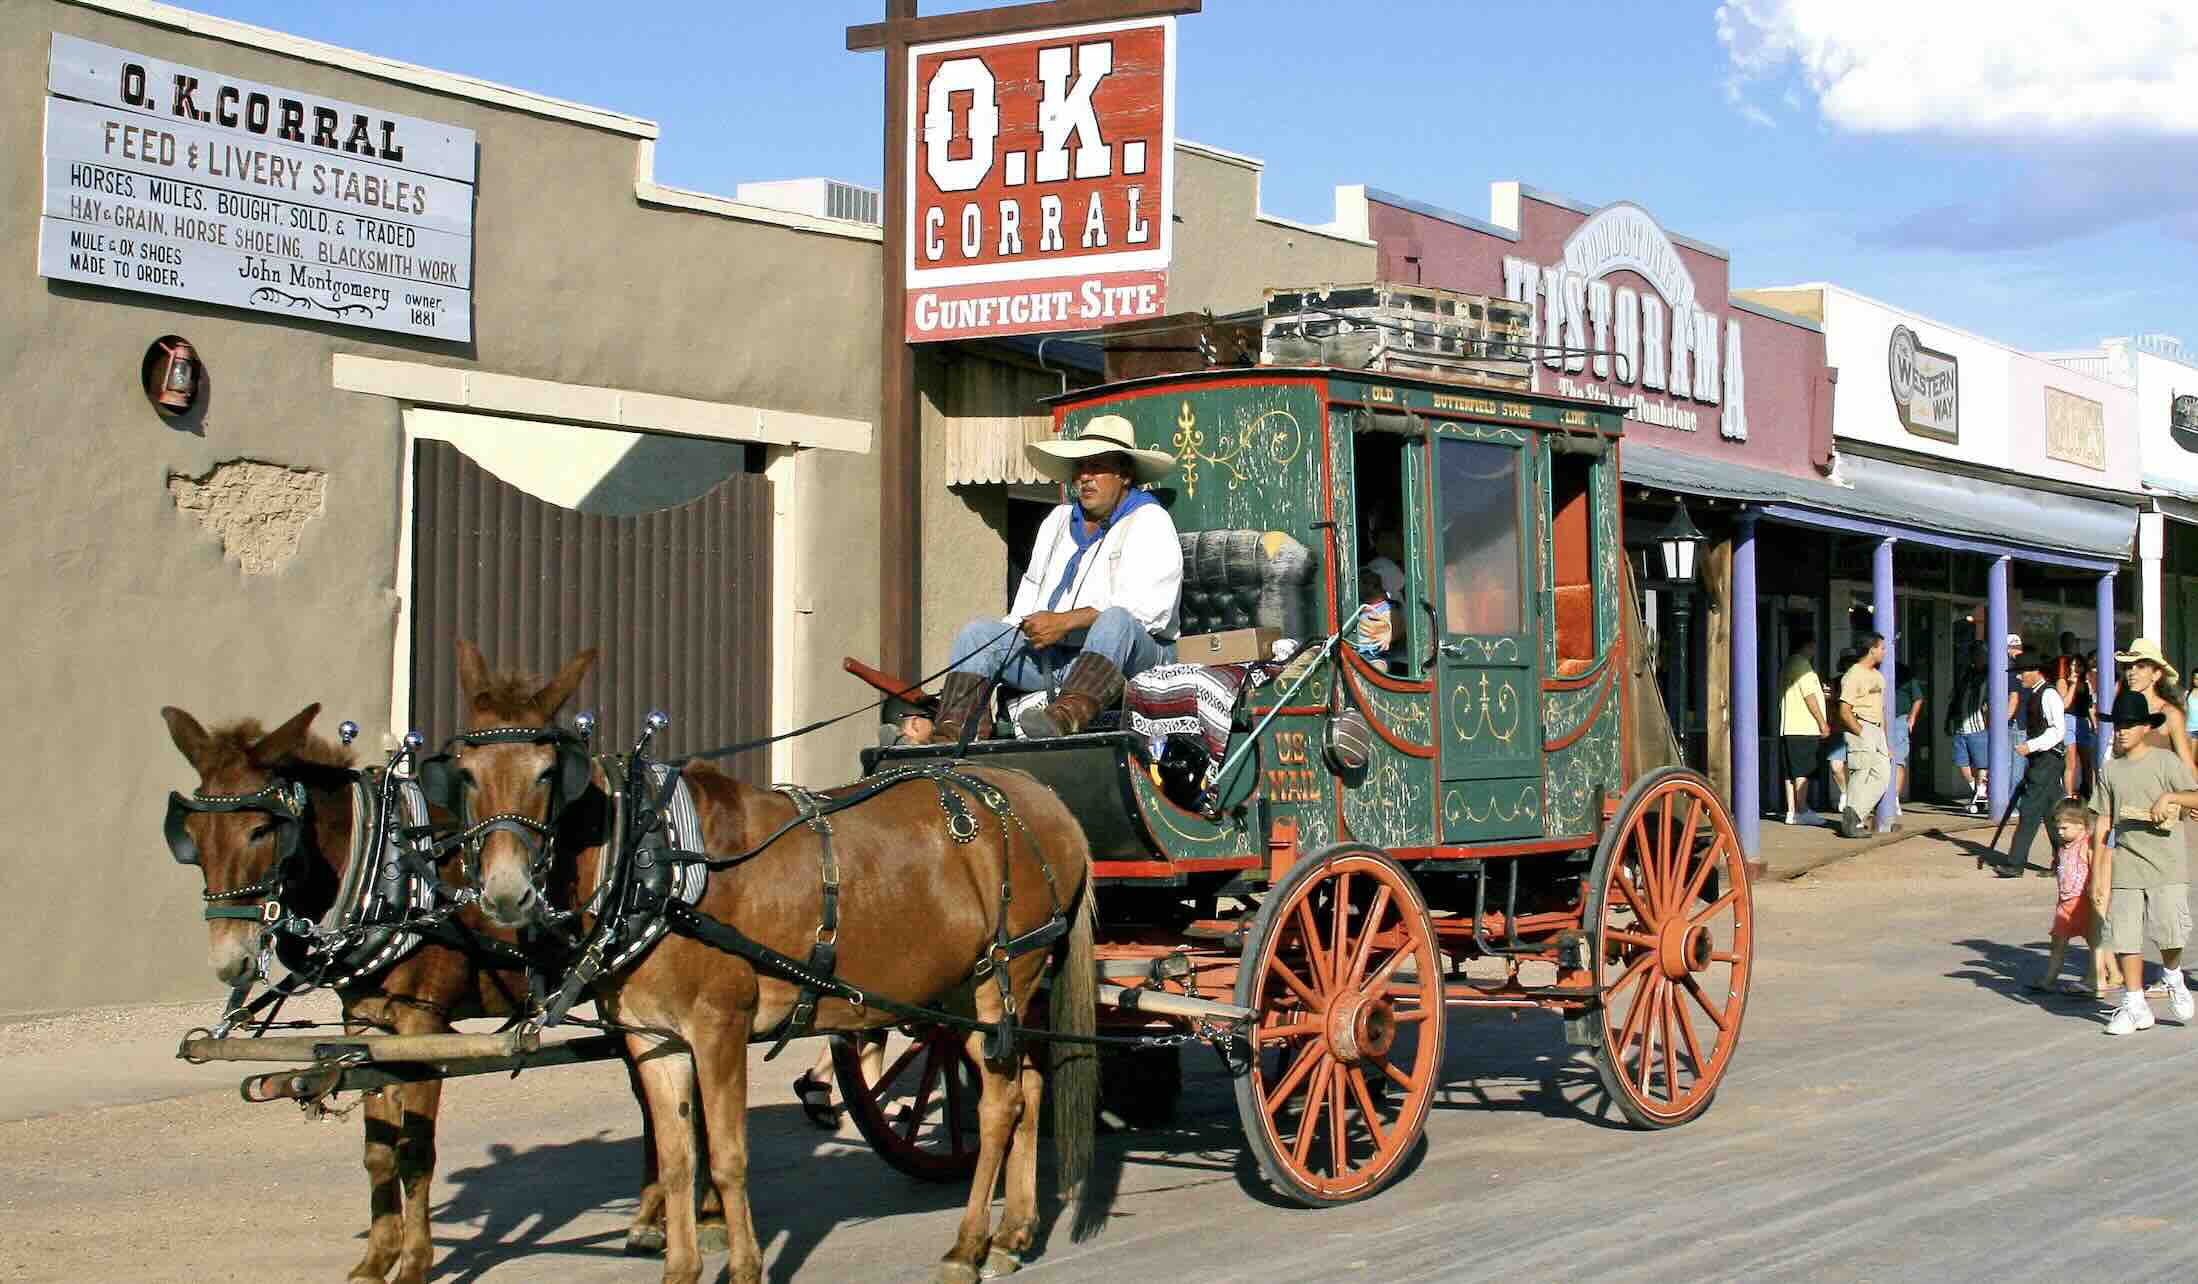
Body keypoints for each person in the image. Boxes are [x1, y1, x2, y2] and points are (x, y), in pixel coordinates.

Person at [929, 415, 1183, 742]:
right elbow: (1030, 593)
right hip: (1059, 660)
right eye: (1080, 468)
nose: (1085, 478)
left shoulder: (1150, 520)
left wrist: (1065, 622)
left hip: (1134, 657)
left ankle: (1063, 718)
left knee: (1115, 620)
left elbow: (1147, 613)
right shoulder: (1058, 520)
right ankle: (954, 734)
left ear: (1124, 475)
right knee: (977, 634)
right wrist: (1021, 629)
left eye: (1097, 467)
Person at [2088, 688, 2198, 1035]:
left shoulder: (2166, 762)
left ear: (2146, 728)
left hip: (2166, 862)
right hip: (2127, 862)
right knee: (2124, 935)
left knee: (2170, 933)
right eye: (2118, 724)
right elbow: (2103, 821)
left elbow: (2195, 796)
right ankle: (2134, 1004)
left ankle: (2172, 975)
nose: (2122, 730)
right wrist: (2097, 874)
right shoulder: (2109, 770)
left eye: (2130, 724)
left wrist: (2171, 797)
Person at [1991, 653, 2066, 878]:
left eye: (2022, 672)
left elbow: (2058, 730)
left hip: (2047, 759)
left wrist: (2031, 746)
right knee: (2053, 813)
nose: (2020, 677)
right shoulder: (2036, 694)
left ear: (2036, 671)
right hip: (2042, 760)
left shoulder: (2049, 694)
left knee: (2029, 809)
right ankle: (2063, 862)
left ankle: (2015, 863)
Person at [2028, 798, 2110, 997]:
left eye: (2064, 828)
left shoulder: (2086, 845)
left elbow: (2096, 868)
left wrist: (2096, 890)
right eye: (2058, 828)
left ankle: (2052, 978)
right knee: (2078, 940)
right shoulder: (2064, 846)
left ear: (2081, 825)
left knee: (2070, 940)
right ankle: (2106, 975)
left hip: (2080, 901)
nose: (2059, 832)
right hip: (2066, 900)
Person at [1837, 633, 1891, 838]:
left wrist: (1883, 738)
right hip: (1861, 727)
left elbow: (1881, 710)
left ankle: (1855, 814)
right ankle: (1852, 822)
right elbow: (1844, 710)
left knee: (1883, 775)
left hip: (1877, 730)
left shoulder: (1878, 676)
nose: (1884, 652)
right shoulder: (1853, 675)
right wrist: (1861, 732)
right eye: (1882, 648)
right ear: (1872, 650)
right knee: (1860, 775)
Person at [2115, 638, 2195, 773]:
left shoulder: (2170, 714)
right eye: (2129, 667)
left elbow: (2187, 766)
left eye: (2141, 666)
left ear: (2156, 674)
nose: (2132, 672)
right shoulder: (2122, 709)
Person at [1777, 634, 1828, 826]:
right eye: (1814, 645)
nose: (1815, 650)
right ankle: (1802, 809)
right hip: (1803, 726)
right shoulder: (1803, 666)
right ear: (1808, 645)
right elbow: (1809, 697)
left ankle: (1792, 811)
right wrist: (1822, 723)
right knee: (1803, 771)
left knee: (1791, 772)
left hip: (1789, 726)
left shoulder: (1789, 663)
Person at [1947, 643, 1992, 815]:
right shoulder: (1967, 675)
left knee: (1982, 763)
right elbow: (1956, 697)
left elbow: (1990, 702)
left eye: (1980, 654)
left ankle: (1981, 794)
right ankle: (1977, 790)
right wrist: (1949, 718)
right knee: (1961, 761)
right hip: (1961, 727)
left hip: (1979, 726)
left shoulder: (1989, 674)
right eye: (1974, 654)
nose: (1977, 658)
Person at [1890, 671, 1925, 811]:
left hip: (1899, 720)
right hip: (1878, 720)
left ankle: (1895, 799)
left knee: (1898, 760)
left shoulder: (1905, 673)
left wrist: (1912, 718)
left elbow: (1918, 698)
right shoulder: (1873, 668)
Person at [2069, 652, 2098, 801]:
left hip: (2082, 721)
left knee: (2087, 759)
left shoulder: (2087, 682)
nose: (2075, 668)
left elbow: (2090, 707)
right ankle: (2071, 792)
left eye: (2078, 665)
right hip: (2070, 720)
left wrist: (2094, 725)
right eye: (2073, 665)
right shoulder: (2068, 682)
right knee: (2072, 760)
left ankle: (2087, 789)